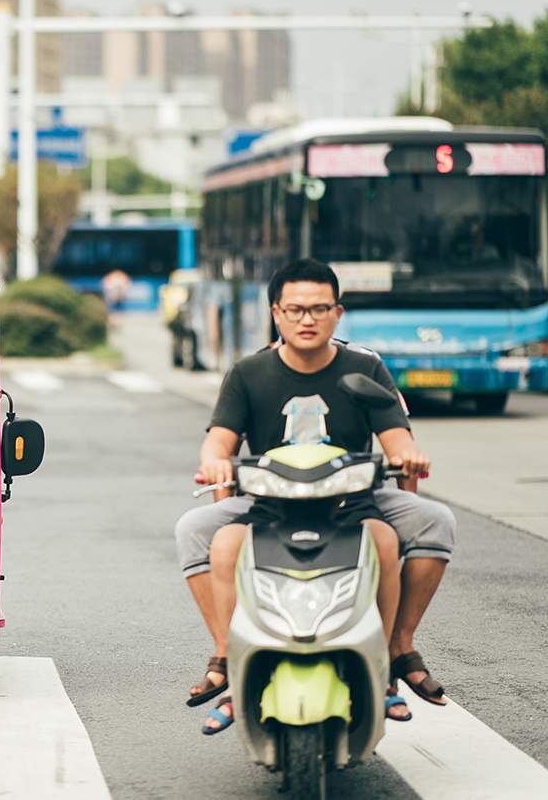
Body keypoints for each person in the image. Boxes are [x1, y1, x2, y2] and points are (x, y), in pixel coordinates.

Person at [178, 258, 455, 732]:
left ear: (337, 313)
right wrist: (215, 460)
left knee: (420, 526)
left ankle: (394, 649)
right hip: (269, 501)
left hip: (353, 501)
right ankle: (229, 656)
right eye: (296, 309)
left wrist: (409, 455)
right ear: (276, 313)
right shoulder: (248, 373)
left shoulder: (366, 368)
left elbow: (397, 437)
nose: (308, 319)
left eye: (319, 308)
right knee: (204, 534)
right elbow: (219, 439)